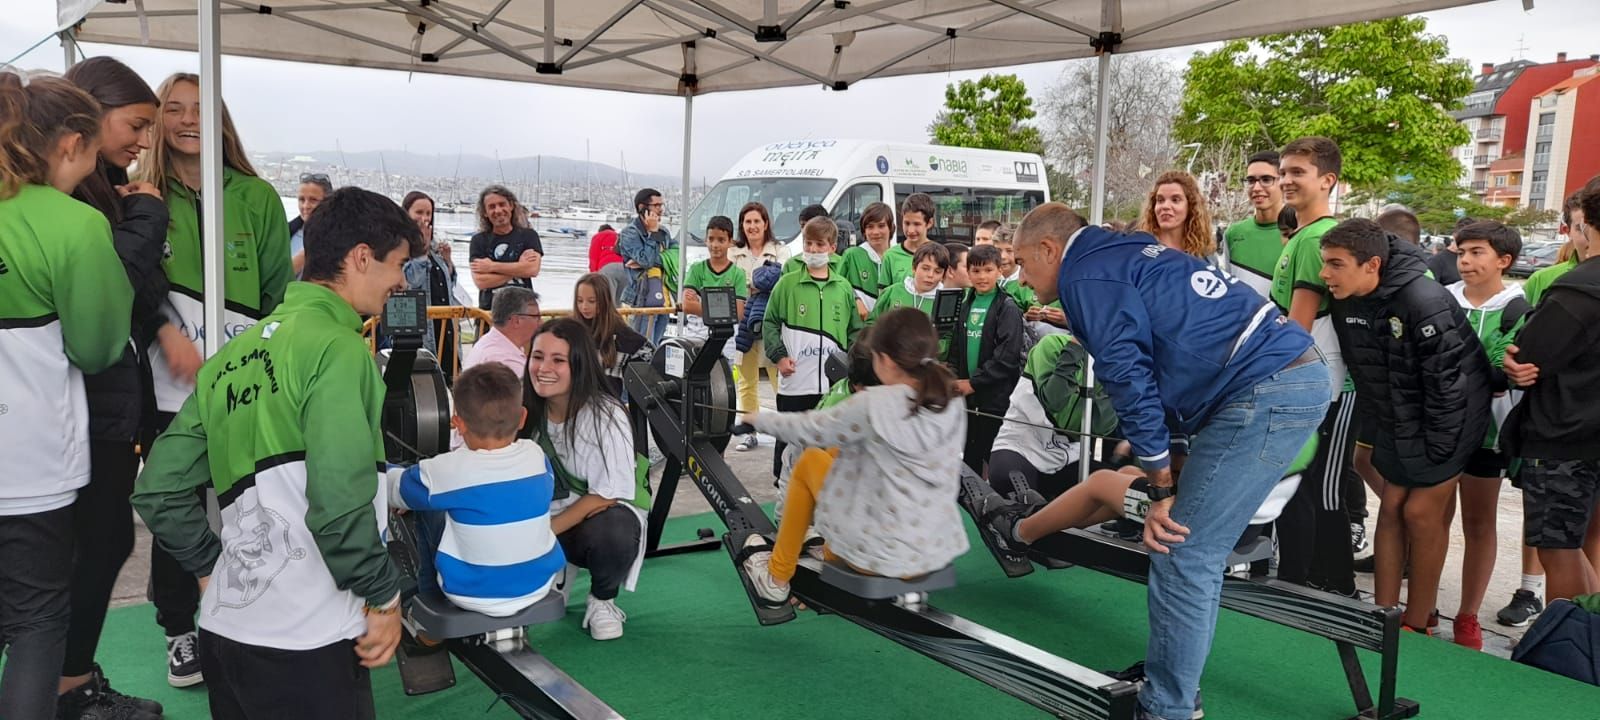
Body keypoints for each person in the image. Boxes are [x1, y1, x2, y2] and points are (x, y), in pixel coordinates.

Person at [1003, 203, 1328, 720]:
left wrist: (1159, 488)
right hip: (1272, 377)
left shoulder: (1085, 277)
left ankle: (1170, 709)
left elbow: (1130, 378)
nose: (1021, 277)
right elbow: (1165, 364)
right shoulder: (1120, 250)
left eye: (1023, 262)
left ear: (1050, 249)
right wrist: (1170, 460)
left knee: (1183, 550)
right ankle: (1168, 684)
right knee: (1181, 544)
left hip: (1267, 385)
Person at [133, 187, 424, 719]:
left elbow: (157, 488)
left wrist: (208, 568)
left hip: (225, 631)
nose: (402, 282)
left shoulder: (231, 357)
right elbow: (338, 506)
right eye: (399, 265)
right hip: (309, 641)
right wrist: (384, 596)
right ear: (362, 257)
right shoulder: (338, 350)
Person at [136, 72, 293, 685]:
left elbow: (279, 295)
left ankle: (255, 618)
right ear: (156, 121)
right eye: (171, 108)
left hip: (244, 391)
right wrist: (162, 333)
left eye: (198, 108)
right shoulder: (139, 195)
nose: (185, 119)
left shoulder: (255, 197)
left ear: (220, 118)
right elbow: (130, 284)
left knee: (253, 508)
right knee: (176, 504)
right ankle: (180, 631)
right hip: (166, 389)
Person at [0, 69, 135, 720]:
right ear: (73, 143)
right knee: (35, 623)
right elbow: (97, 347)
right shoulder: (76, 225)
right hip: (28, 461)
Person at [59, 56, 170, 720]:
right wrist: (150, 220)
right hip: (82, 403)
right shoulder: (73, 199)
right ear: (89, 114)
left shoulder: (106, 191)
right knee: (94, 542)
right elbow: (109, 284)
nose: (142, 142)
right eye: (135, 125)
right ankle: (66, 688)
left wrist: (161, 328)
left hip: (104, 404)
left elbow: (132, 295)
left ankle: (71, 680)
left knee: (104, 540)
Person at [1319, 217, 1492, 635]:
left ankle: (1416, 625)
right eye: (1325, 263)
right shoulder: (1347, 298)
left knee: (1419, 512)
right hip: (1398, 414)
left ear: (1372, 265)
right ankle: (1383, 618)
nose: (1325, 274)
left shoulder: (1422, 299)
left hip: (1453, 417)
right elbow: (1369, 371)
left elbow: (1451, 388)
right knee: (1392, 509)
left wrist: (1437, 450)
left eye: (1336, 264)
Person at [738, 308, 970, 603]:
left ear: (884, 360)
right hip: (931, 554)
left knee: (810, 459)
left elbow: (809, 429)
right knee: (846, 452)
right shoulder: (950, 398)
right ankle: (830, 545)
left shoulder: (875, 403)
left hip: (878, 557)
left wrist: (757, 420)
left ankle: (776, 576)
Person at [386, 363, 564, 616]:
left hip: (468, 592)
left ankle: (426, 602)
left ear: (458, 424)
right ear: (522, 417)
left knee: (429, 506)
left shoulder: (448, 470)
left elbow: (392, 488)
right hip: (538, 584)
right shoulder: (537, 455)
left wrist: (375, 462)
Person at [1501, 177, 1600, 605]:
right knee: (1574, 547)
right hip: (1584, 434)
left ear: (1586, 225)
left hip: (1565, 437)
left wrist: (1513, 361)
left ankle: (1572, 655)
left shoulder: (1578, 289)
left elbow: (1528, 358)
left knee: (1557, 549)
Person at [519, 319, 651, 640]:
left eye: (558, 360)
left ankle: (603, 599)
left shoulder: (607, 414)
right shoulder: (521, 407)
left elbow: (607, 495)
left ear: (579, 365)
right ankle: (549, 570)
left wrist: (543, 534)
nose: (544, 368)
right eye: (538, 357)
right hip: (541, 522)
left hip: (589, 521)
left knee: (615, 528)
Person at [1271, 137, 1357, 596]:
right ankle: (1305, 582)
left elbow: (1298, 328)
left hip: (1321, 383)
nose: (1286, 180)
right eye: (1284, 171)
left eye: (1297, 172)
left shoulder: (1316, 239)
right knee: (1301, 487)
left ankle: (1327, 587)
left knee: (1315, 489)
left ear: (1327, 181)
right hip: (1310, 382)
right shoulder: (1304, 236)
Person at [1442, 221, 1528, 649]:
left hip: (1487, 435)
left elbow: (1499, 374)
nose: (1465, 261)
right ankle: (1419, 608)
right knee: (1431, 520)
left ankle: (1467, 616)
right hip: (1437, 428)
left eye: (1477, 252)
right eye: (1461, 252)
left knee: (1478, 523)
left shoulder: (1517, 308)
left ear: (1503, 261)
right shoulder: (1441, 299)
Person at [763, 217, 865, 479]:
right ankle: (781, 492)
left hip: (832, 387)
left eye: (820, 244)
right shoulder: (787, 283)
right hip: (795, 382)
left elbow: (854, 332)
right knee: (789, 440)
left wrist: (855, 369)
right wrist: (779, 356)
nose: (814, 250)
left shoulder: (843, 287)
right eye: (809, 244)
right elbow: (770, 322)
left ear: (832, 248)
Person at [985, 333, 1119, 501]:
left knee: (1119, 489)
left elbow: (1101, 429)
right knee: (1012, 484)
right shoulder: (1052, 344)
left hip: (1068, 455)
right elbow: (1053, 401)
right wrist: (1074, 350)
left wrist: (1112, 386)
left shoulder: (1113, 365)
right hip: (1023, 444)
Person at [946, 244, 1025, 476]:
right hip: (968, 400)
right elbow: (956, 347)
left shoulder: (1007, 307)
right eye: (976, 271)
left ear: (999, 271)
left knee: (992, 456)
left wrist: (974, 383)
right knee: (969, 457)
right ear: (968, 272)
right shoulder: (965, 303)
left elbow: (1007, 357)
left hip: (995, 400)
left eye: (988, 270)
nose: (982, 277)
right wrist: (951, 375)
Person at [729, 201, 790, 451]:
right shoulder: (734, 254)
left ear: (766, 224)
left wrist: (752, 285)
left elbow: (782, 282)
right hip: (744, 323)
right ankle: (749, 429)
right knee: (747, 379)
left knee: (780, 377)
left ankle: (784, 428)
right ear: (742, 225)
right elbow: (733, 286)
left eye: (757, 221)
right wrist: (760, 283)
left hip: (773, 323)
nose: (752, 226)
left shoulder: (780, 251)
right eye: (748, 222)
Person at [400, 191, 463, 374]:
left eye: (428, 214)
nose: (424, 218)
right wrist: (420, 253)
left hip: (447, 330)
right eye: (419, 212)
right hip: (422, 333)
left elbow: (449, 286)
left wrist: (448, 262)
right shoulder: (400, 248)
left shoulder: (435, 247)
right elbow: (410, 284)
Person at [573, 273, 652, 399]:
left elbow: (648, 352)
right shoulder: (572, 331)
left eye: (591, 301)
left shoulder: (621, 333)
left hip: (609, 408)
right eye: (579, 301)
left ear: (604, 300)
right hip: (575, 406)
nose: (584, 307)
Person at [681, 215, 748, 362]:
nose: (715, 245)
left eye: (721, 240)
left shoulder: (738, 274)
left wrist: (701, 304)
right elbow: (687, 305)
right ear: (706, 240)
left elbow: (737, 313)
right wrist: (724, 307)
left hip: (726, 338)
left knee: (723, 380)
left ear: (730, 242)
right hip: (696, 334)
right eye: (711, 239)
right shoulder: (696, 269)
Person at [468, 184, 542, 311]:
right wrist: (519, 267)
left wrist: (492, 267)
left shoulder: (529, 236)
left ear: (511, 206)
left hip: (525, 311)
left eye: (502, 204)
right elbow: (481, 281)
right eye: (492, 207)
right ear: (485, 213)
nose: (498, 210)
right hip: (490, 313)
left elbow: (532, 270)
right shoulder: (478, 240)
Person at [1222, 151, 1286, 298]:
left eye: (1266, 179)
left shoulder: (1298, 233)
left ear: (1282, 182)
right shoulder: (1233, 233)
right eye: (1251, 180)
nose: (1256, 188)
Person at [617, 187, 675, 345]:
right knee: (642, 347)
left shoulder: (664, 232)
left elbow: (675, 256)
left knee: (655, 346)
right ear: (643, 208)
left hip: (663, 298)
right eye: (656, 205)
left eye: (661, 205)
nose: (661, 209)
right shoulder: (630, 233)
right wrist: (652, 234)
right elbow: (647, 261)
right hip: (641, 297)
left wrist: (656, 259)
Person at [462, 286, 541, 379]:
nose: (541, 323)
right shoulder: (505, 361)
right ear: (516, 321)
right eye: (536, 317)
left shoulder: (492, 342)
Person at [1138, 170, 1217, 262]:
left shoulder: (1205, 257)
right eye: (1160, 200)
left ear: (1191, 206)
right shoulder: (1140, 252)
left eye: (1175, 200)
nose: (1165, 206)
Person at [869, 242, 948, 323]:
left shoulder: (944, 301)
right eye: (925, 268)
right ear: (914, 268)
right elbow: (872, 323)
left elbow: (948, 333)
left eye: (937, 271)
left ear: (943, 275)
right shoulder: (892, 292)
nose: (930, 275)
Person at [839, 202, 894, 310]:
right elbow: (837, 288)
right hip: (860, 326)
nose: (875, 232)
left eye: (881, 226)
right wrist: (855, 299)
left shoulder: (897, 257)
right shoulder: (852, 255)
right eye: (870, 227)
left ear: (891, 227)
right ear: (864, 230)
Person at [877, 193, 936, 291]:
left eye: (917, 224)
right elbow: (883, 295)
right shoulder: (891, 256)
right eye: (907, 223)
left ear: (929, 223)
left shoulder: (939, 254)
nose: (911, 230)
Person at [290, 173, 333, 277]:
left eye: (313, 200)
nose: (306, 206)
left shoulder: (338, 239)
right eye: (301, 200)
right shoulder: (285, 233)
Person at [588, 223, 629, 304]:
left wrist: (593, 276)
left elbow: (593, 257)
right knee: (618, 302)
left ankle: (607, 316)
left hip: (608, 268)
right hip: (625, 269)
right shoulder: (619, 236)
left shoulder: (598, 236)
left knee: (607, 301)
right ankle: (618, 316)